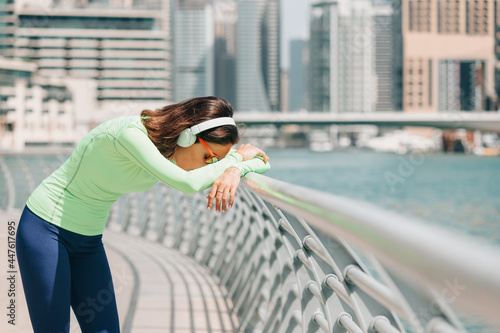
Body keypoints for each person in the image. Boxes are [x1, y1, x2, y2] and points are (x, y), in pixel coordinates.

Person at [15, 96, 270, 333]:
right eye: (209, 157)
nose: (210, 167)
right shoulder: (130, 135)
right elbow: (188, 183)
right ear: (187, 136)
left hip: (88, 241)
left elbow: (263, 162)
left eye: (215, 162)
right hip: (46, 229)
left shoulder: (170, 153)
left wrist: (234, 170)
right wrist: (236, 159)